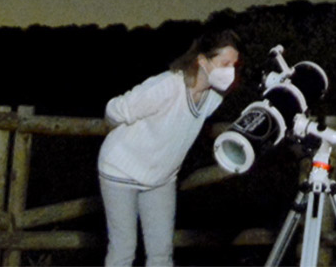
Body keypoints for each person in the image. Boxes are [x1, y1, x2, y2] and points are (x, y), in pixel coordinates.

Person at [97, 29, 241, 266]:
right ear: (202, 60)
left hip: (161, 178)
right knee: (123, 251)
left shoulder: (214, 98)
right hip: (120, 172)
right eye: (225, 64)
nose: (230, 71)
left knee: (161, 254)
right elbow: (115, 110)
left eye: (233, 65)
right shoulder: (167, 85)